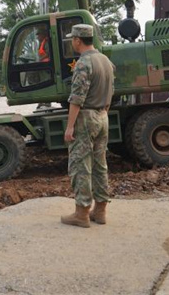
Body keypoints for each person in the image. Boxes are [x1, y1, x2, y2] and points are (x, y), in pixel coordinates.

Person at [61, 24, 115, 228]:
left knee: (80, 165)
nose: (72, 42)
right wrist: (102, 113)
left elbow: (77, 98)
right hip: (103, 116)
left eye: (72, 39)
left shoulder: (84, 63)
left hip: (86, 117)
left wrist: (70, 126)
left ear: (77, 40)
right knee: (100, 164)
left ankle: (81, 213)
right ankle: (100, 211)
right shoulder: (105, 61)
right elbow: (110, 92)